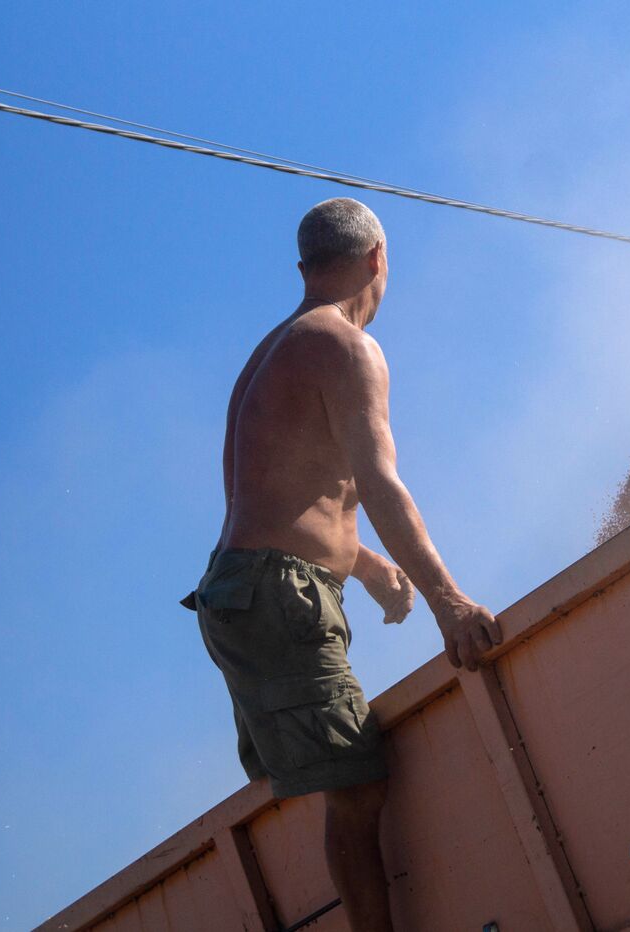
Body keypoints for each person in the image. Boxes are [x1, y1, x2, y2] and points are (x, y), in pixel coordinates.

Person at [182, 197, 501, 932]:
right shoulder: (346, 345)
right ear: (377, 259)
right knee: (354, 787)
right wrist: (449, 602)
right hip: (276, 592)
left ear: (304, 268)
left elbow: (275, 495)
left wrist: (365, 566)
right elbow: (379, 480)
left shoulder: (274, 348)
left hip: (236, 592)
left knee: (316, 774)